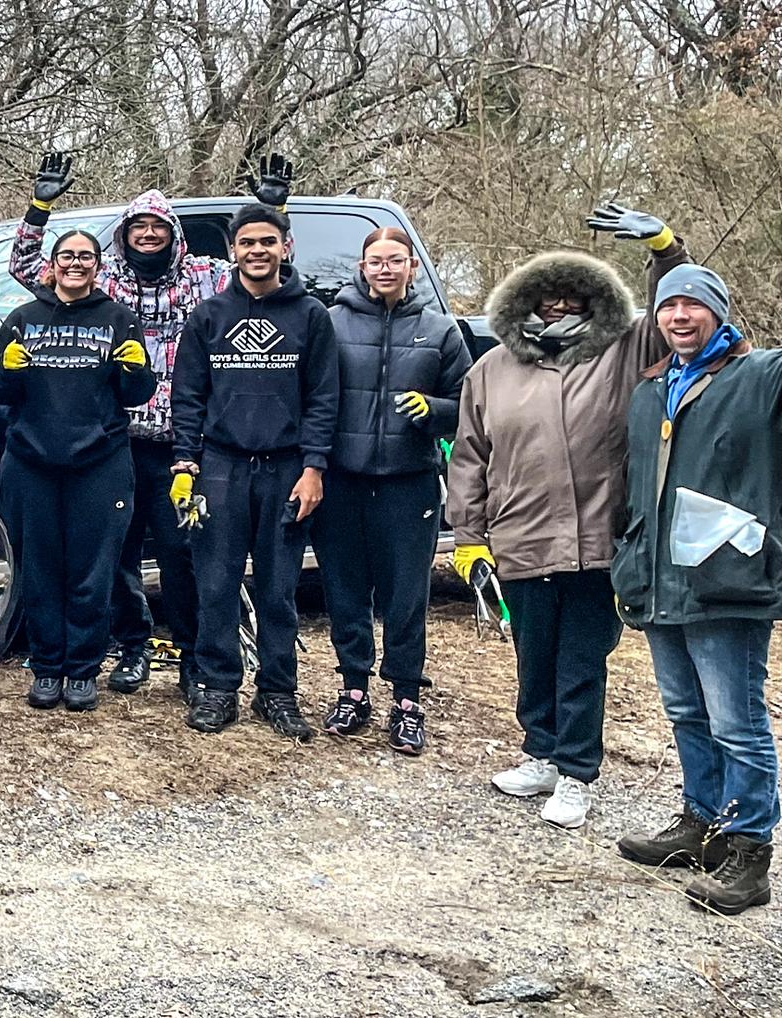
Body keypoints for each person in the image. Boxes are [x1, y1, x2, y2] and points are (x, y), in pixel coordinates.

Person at [449, 202, 691, 830]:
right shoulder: (491, 370)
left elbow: (680, 309)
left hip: (598, 542)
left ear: (591, 303)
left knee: (582, 658)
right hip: (520, 539)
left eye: (570, 297)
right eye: (544, 299)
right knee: (534, 654)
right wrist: (469, 537)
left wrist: (665, 249)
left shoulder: (624, 349)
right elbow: (470, 458)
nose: (555, 308)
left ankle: (577, 772)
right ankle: (540, 753)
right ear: (523, 305)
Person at [6, 154, 251, 695]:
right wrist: (39, 208)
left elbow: (261, 270)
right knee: (113, 556)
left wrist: (270, 211)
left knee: (181, 552)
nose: (146, 234)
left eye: (156, 227)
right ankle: (132, 647)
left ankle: (192, 657)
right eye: (137, 226)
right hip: (111, 444)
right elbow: (27, 269)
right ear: (123, 235)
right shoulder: (105, 279)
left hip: (183, 441)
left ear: (173, 234)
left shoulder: (204, 276)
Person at [611, 265, 777, 914]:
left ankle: (749, 852)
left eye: (693, 305)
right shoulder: (651, 390)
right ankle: (701, 825)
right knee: (685, 712)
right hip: (660, 582)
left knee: (738, 723)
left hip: (726, 582)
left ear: (719, 312)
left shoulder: (760, 378)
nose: (679, 316)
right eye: (668, 305)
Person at [171, 203, 338, 741]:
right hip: (220, 467)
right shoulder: (210, 316)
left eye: (268, 241)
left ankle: (278, 692)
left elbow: (322, 399)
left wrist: (314, 467)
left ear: (285, 247)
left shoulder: (310, 315)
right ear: (232, 250)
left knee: (277, 589)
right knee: (216, 584)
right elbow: (188, 395)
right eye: (247, 243)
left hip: (286, 469)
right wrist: (184, 463)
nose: (257, 251)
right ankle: (218, 686)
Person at [313, 227, 472, 753]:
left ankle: (406, 698)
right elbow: (311, 399)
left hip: (410, 483)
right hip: (343, 480)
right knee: (345, 591)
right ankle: (353, 689)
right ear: (362, 266)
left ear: (412, 268)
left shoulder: (440, 331)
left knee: (407, 596)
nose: (385, 269)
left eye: (396, 261)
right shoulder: (330, 324)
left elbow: (468, 405)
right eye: (376, 261)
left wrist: (436, 413)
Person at [0, 230, 155, 712]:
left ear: (98, 266)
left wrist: (136, 370)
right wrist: (9, 369)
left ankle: (82, 670)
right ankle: (46, 666)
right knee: (39, 566)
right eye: (67, 256)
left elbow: (137, 394)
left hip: (100, 461)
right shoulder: (23, 320)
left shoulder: (119, 319)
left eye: (85, 256)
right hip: (30, 462)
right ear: (53, 264)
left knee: (92, 568)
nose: (75, 264)